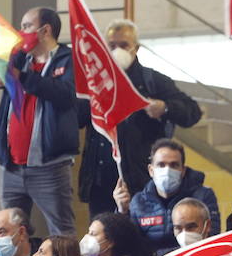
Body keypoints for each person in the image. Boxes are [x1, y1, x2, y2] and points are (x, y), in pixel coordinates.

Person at [0, 6, 78, 237]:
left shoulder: (69, 60)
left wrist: (22, 77)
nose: (20, 32)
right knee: (8, 231)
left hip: (50, 166)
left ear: (45, 30)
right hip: (11, 166)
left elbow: (66, 95)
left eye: (26, 26)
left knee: (62, 231)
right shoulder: (19, 59)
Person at [79, 20, 203, 213]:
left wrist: (165, 108)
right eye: (112, 46)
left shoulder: (153, 81)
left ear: (135, 48)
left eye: (124, 45)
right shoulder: (95, 83)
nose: (117, 50)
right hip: (101, 180)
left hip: (140, 181)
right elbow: (77, 118)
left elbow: (192, 112)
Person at [119, 139, 221, 256]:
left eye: (174, 165)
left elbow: (212, 237)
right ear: (151, 170)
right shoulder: (138, 201)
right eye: (161, 165)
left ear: (183, 170)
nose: (167, 170)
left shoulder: (202, 196)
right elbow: (129, 244)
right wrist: (123, 212)